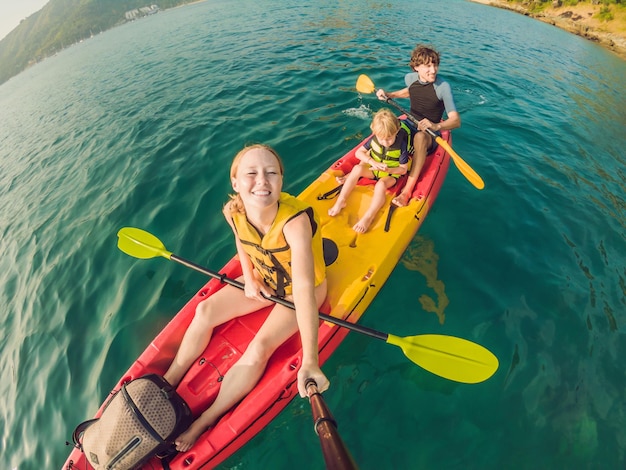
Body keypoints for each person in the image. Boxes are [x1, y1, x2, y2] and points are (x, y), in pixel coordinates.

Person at [163, 144, 330, 452]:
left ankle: (205, 420)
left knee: (259, 348)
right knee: (205, 310)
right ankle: (168, 382)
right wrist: (250, 279)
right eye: (251, 174)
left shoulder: (296, 224)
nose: (262, 181)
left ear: (281, 180)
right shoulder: (234, 211)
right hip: (265, 280)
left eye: (271, 173)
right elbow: (243, 243)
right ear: (236, 183)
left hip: (297, 292)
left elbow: (305, 288)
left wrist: (310, 360)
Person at [376, 44, 461, 207]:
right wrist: (389, 94)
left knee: (420, 137)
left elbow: (456, 120)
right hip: (410, 122)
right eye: (428, 65)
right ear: (416, 67)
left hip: (429, 133)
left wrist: (436, 126)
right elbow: (410, 91)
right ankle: (367, 165)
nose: (434, 70)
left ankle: (407, 191)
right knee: (387, 124)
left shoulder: (443, 87)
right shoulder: (410, 78)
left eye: (435, 64)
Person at [328, 108, 411, 233]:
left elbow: (403, 170)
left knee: (380, 185)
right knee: (357, 168)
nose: (385, 142)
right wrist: (372, 161)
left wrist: (390, 169)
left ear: (397, 131)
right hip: (374, 169)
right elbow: (359, 153)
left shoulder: (401, 146)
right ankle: (341, 201)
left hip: (390, 175)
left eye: (389, 138)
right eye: (381, 138)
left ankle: (368, 217)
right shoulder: (374, 140)